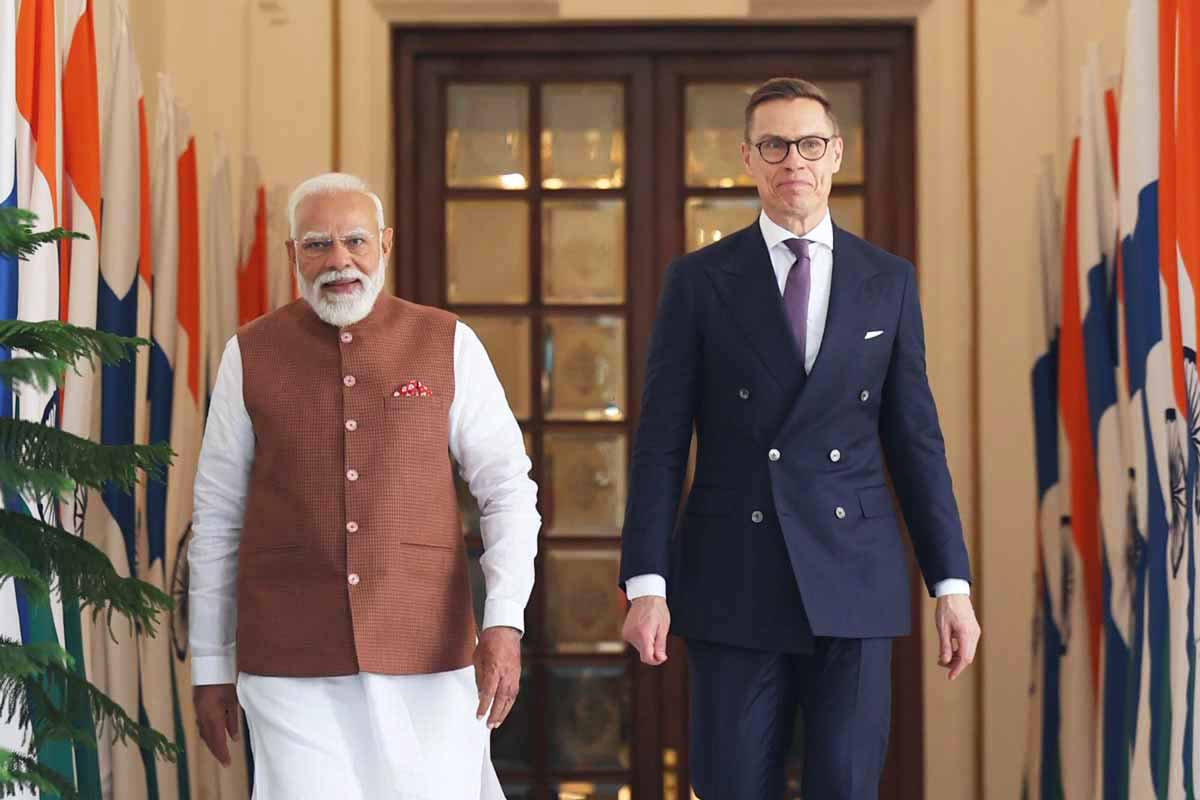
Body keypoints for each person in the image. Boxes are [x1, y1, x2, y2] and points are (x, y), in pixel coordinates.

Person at [619, 78, 981, 799]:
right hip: (734, 572)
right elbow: (660, 445)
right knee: (730, 787)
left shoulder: (889, 281)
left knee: (845, 787)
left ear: (836, 154)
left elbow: (916, 440)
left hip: (854, 573)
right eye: (776, 145)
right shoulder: (698, 281)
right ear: (748, 158)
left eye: (810, 144)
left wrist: (952, 584)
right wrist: (646, 582)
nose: (795, 161)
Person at [189, 172, 539, 799]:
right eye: (317, 244)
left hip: (431, 653)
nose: (339, 260)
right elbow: (218, 516)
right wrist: (211, 663)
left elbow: (508, 490)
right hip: (290, 663)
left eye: (354, 240)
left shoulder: (447, 342)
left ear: (385, 244)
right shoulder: (250, 352)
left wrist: (504, 622)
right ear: (292, 255)